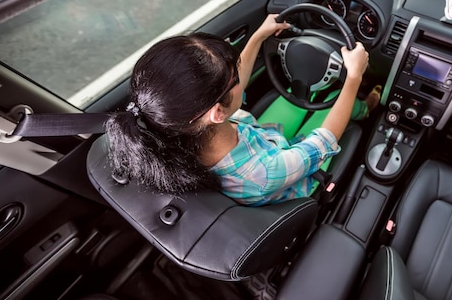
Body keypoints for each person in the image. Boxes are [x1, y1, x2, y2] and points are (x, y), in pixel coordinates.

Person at [106, 14, 379, 205]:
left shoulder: (182, 127)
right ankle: (367, 108)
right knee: (330, 101)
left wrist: (259, 35)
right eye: (234, 78)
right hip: (291, 175)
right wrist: (354, 77)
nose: (239, 73)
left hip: (261, 142)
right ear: (217, 113)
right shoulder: (265, 174)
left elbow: (232, 83)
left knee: (297, 99)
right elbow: (325, 139)